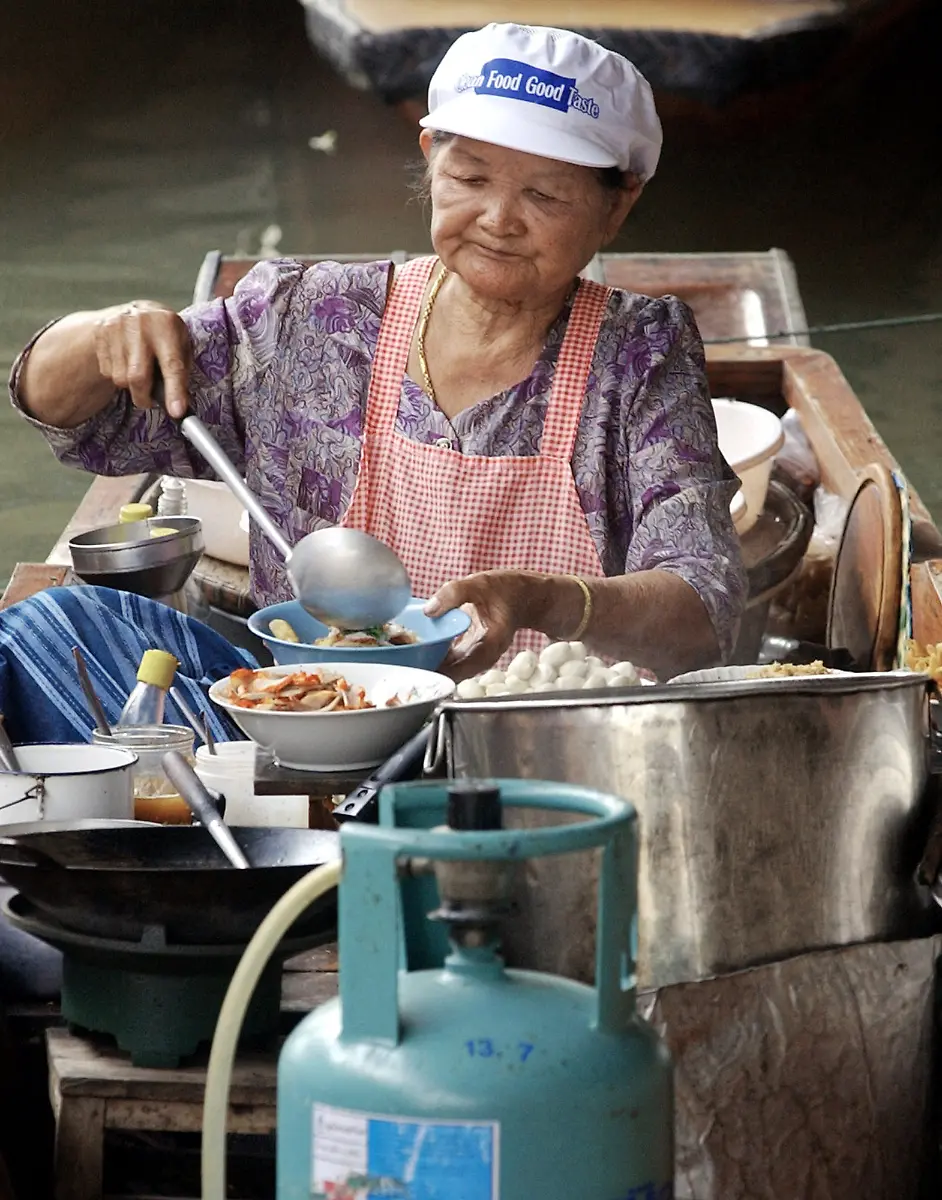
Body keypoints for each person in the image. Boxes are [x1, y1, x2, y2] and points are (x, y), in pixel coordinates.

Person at [10, 22, 747, 683]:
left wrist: (537, 600)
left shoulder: (640, 354)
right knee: (42, 632)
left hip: (538, 742)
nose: (498, 220)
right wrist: (103, 330)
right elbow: (78, 419)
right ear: (430, 160)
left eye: (546, 196)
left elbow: (702, 613)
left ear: (618, 205)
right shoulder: (316, 317)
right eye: (470, 178)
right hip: (316, 719)